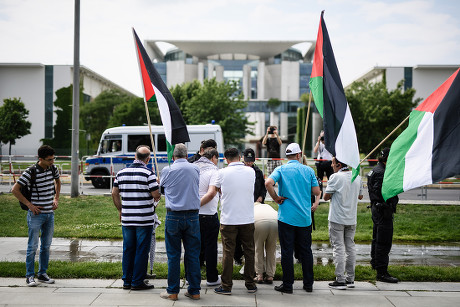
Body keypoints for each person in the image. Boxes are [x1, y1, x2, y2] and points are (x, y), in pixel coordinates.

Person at [265, 143, 320, 294]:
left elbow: (268, 183)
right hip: (304, 218)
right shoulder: (308, 170)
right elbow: (316, 191)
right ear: (299, 154)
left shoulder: (281, 169)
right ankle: (308, 284)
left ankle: (288, 285)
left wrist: (275, 197)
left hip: (286, 217)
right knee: (306, 251)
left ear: (287, 156)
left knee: (287, 251)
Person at [112, 145, 160, 291]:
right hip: (144, 219)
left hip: (127, 218)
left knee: (128, 249)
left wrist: (120, 209)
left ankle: (127, 280)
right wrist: (157, 185)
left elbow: (114, 193)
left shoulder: (121, 173)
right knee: (141, 250)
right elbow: (156, 195)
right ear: (148, 159)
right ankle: (137, 281)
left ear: (135, 156)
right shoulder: (148, 174)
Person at [12, 145, 61, 287]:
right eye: (49, 160)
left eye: (53, 159)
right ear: (40, 159)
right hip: (36, 215)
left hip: (49, 215)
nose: (52, 162)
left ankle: (42, 274)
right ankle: (29, 276)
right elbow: (15, 190)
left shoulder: (53, 168)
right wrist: (29, 205)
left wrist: (56, 199)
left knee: (46, 246)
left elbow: (58, 181)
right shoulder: (30, 172)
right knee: (32, 246)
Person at [159, 143, 201, 301]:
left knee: (174, 256)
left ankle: (173, 291)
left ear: (173, 155)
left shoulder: (167, 170)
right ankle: (195, 290)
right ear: (186, 154)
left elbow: (161, 188)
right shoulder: (195, 168)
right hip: (192, 216)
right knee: (193, 255)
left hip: (173, 216)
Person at [214, 148, 257, 295]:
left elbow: (217, 189)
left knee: (228, 252)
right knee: (249, 251)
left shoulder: (221, 173)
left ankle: (226, 285)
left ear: (226, 159)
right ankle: (250, 283)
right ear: (240, 157)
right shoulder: (250, 171)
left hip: (229, 218)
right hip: (247, 217)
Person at [323, 157, 363, 290]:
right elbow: (360, 196)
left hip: (337, 218)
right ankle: (350, 279)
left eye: (333, 164)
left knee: (339, 248)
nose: (331, 166)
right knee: (350, 247)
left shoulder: (335, 177)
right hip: (351, 217)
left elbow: (326, 196)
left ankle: (340, 279)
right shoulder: (357, 177)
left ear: (339, 165)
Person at [368, 148, 399, 283]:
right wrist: (388, 205)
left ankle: (375, 263)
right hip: (383, 211)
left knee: (377, 238)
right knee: (383, 242)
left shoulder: (375, 170)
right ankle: (382, 272)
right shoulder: (382, 173)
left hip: (377, 209)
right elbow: (379, 191)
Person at [194, 148, 221, 287]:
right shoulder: (214, 171)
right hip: (209, 214)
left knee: (193, 247)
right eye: (217, 159)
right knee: (210, 247)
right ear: (213, 158)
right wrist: (197, 205)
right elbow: (211, 193)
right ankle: (211, 278)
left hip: (192, 215)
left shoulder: (193, 168)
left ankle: (192, 277)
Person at [253, 202, 278, 285]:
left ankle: (259, 275)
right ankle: (270, 275)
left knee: (258, 248)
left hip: (259, 223)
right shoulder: (267, 206)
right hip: (275, 222)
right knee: (271, 249)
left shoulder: (252, 208)